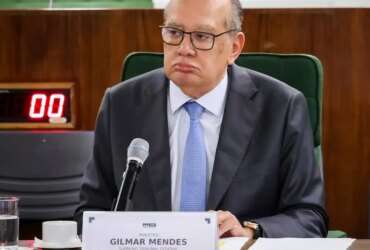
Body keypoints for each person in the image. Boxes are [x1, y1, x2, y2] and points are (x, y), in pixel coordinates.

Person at [75, 0, 328, 238]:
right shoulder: (121, 104)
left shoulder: (281, 108)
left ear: (234, 48)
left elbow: (309, 216)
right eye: (174, 32)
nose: (185, 49)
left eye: (202, 37)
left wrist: (249, 230)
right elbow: (89, 214)